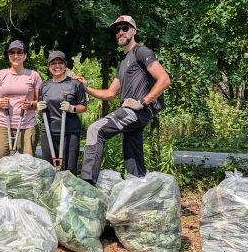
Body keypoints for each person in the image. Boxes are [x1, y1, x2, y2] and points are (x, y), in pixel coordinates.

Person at [75, 15, 171, 184]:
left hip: (135, 110)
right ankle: (138, 190)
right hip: (133, 113)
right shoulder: (124, 62)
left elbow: (164, 79)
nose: (120, 32)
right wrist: (86, 87)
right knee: (132, 154)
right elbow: (110, 93)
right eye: (117, 30)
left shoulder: (141, 52)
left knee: (95, 130)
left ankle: (87, 184)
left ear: (133, 31)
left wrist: (143, 101)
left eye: (125, 28)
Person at [0, 40, 42, 168]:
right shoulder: (0, 75)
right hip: (2, 123)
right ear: (8, 55)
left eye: (19, 52)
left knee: (27, 164)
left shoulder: (33, 76)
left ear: (25, 55)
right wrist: (0, 104)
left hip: (26, 124)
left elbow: (40, 102)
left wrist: (30, 104)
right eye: (12, 52)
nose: (16, 55)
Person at [36, 50, 87, 173]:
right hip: (49, 132)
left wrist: (72, 108)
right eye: (53, 63)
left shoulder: (75, 84)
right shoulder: (44, 86)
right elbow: (40, 110)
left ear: (65, 66)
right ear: (48, 66)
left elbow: (83, 106)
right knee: (49, 170)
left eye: (60, 63)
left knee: (69, 169)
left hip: (70, 132)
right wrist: (38, 108)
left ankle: (68, 192)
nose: (57, 66)